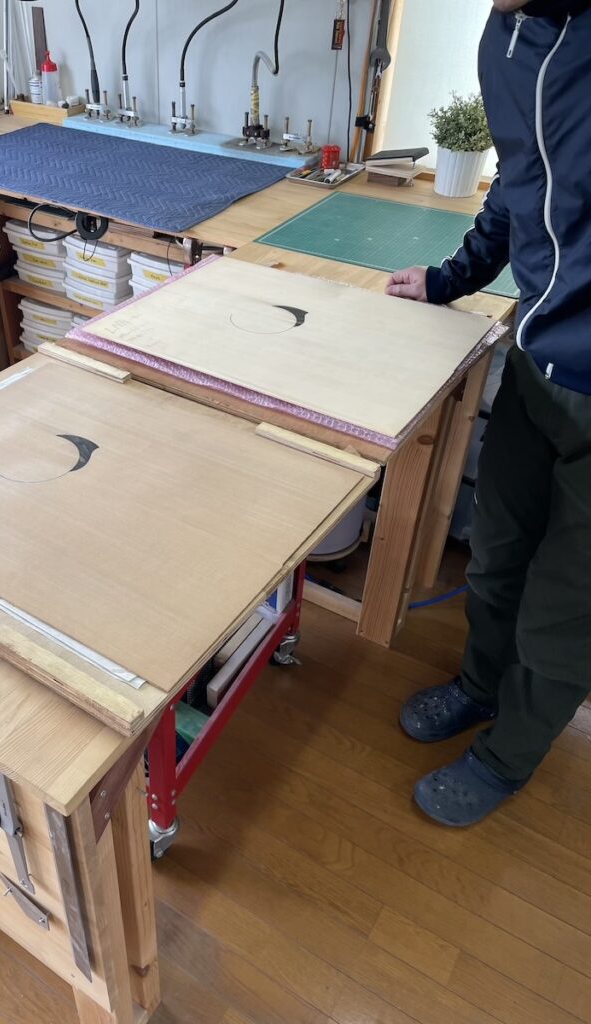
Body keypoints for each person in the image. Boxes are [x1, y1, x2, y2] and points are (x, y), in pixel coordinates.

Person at [386, 0, 591, 827]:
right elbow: (519, 181)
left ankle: (508, 757)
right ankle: (480, 688)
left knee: (566, 606)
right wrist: (451, 278)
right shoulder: (505, 34)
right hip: (536, 358)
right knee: (497, 552)